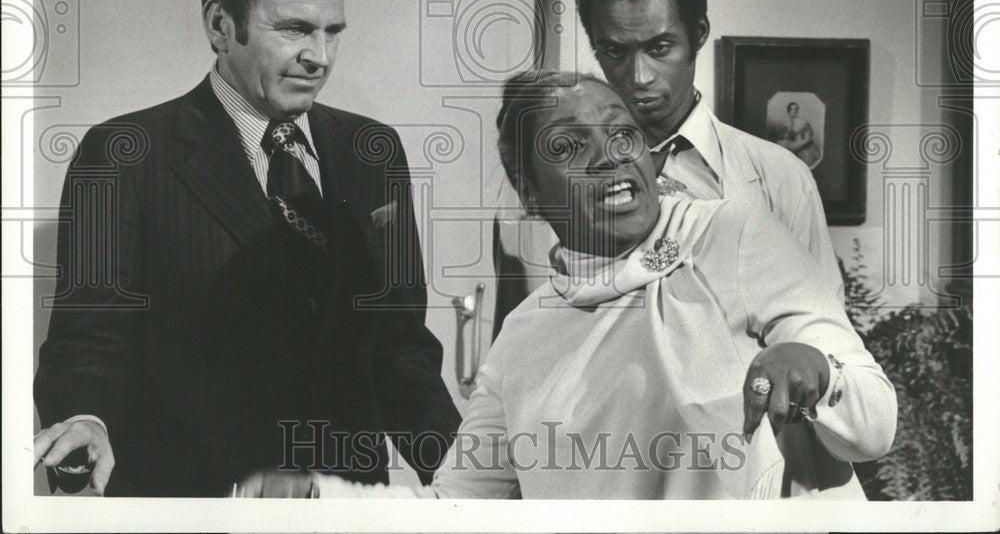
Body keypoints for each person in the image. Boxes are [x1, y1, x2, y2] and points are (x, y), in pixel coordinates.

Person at [239, 71, 896, 499]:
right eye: (567, 146)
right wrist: (319, 496)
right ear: (527, 192)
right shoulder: (524, 338)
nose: (609, 154)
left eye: (621, 133)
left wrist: (815, 368)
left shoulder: (735, 234)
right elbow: (456, 510)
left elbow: (874, 423)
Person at [33, 0, 461, 496]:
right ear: (220, 25)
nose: (320, 56)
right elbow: (90, 338)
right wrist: (86, 415)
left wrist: (474, 479)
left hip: (342, 504)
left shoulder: (373, 151)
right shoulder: (123, 154)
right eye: (294, 30)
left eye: (333, 32)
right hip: (191, 502)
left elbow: (400, 348)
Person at [493, 0, 841, 337]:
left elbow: (824, 338)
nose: (638, 77)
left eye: (659, 48)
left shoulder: (778, 177)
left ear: (698, 34)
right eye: (615, 52)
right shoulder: (548, 182)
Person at [776, 101, 822, 168]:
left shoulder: (803, 122)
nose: (794, 111)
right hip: (794, 149)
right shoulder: (786, 123)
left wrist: (795, 146)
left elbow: (807, 139)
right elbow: (784, 137)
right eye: (792, 109)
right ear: (788, 110)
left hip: (806, 149)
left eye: (796, 109)